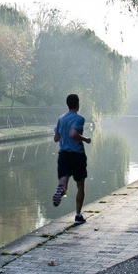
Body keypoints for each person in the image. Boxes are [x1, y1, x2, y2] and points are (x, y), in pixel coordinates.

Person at [52, 93, 91, 224]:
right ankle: (78, 216)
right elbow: (74, 134)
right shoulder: (79, 119)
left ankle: (60, 190)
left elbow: (56, 138)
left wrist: (64, 137)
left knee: (63, 184)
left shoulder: (61, 118)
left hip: (63, 155)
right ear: (77, 104)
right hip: (77, 155)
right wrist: (85, 139)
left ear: (67, 104)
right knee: (80, 185)